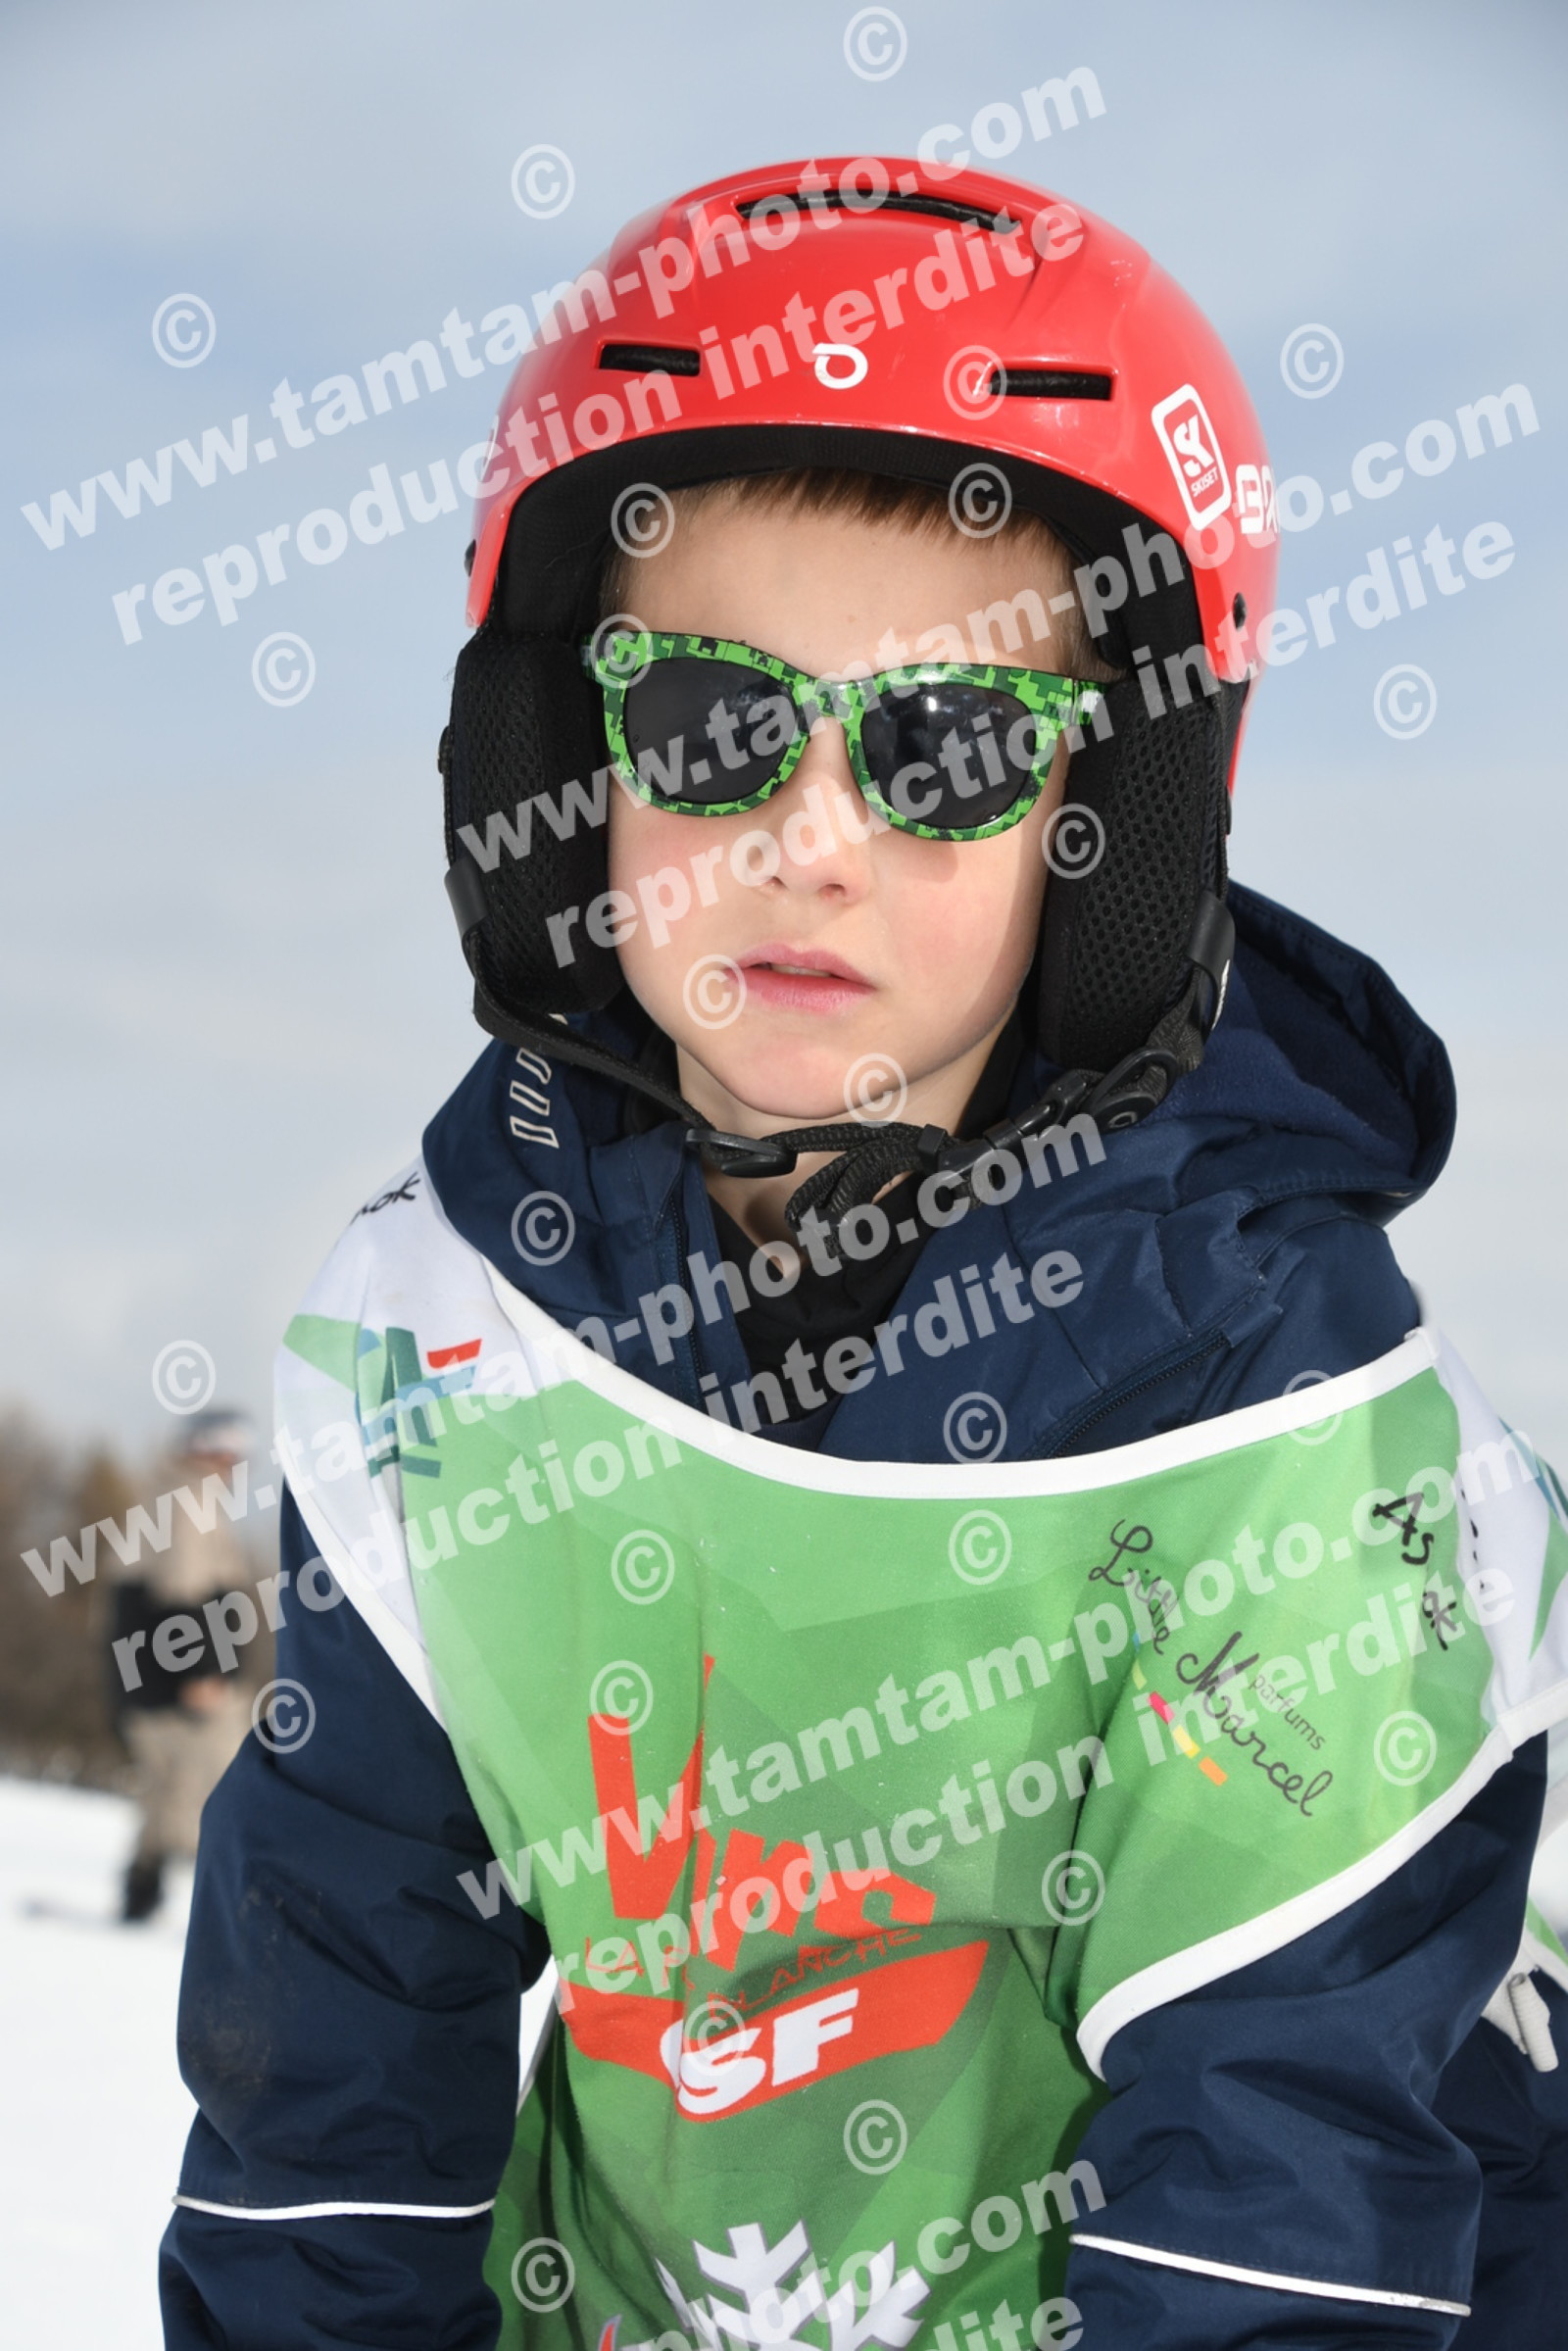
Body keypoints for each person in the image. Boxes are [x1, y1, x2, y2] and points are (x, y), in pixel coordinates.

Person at [160, 160, 1568, 2349]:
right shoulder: (449, 1337)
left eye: (950, 746)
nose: (807, 837)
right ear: (567, 762)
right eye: (712, 722)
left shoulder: (1288, 1431)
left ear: (1110, 817)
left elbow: (1278, 2191)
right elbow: (336, 2044)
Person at [108, 1408, 256, 1922]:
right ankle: (223, 1913)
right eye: (226, 1453)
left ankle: (141, 1894)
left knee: (164, 1788)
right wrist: (201, 1675)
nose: (232, 1465)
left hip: (149, 1682)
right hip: (183, 1685)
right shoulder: (190, 1498)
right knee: (212, 1792)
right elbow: (185, 1590)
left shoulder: (159, 1495)